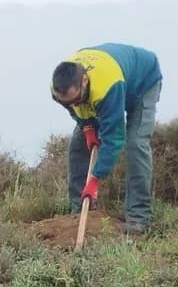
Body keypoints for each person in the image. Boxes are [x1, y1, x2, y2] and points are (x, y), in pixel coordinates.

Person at [51, 43, 163, 234]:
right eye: (66, 101)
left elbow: (114, 139)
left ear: (84, 81)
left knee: (136, 144)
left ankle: (138, 219)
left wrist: (94, 180)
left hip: (142, 83)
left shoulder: (107, 87)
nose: (71, 103)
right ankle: (79, 210)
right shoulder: (59, 90)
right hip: (106, 86)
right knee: (77, 146)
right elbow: (73, 108)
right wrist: (86, 127)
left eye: (75, 99)